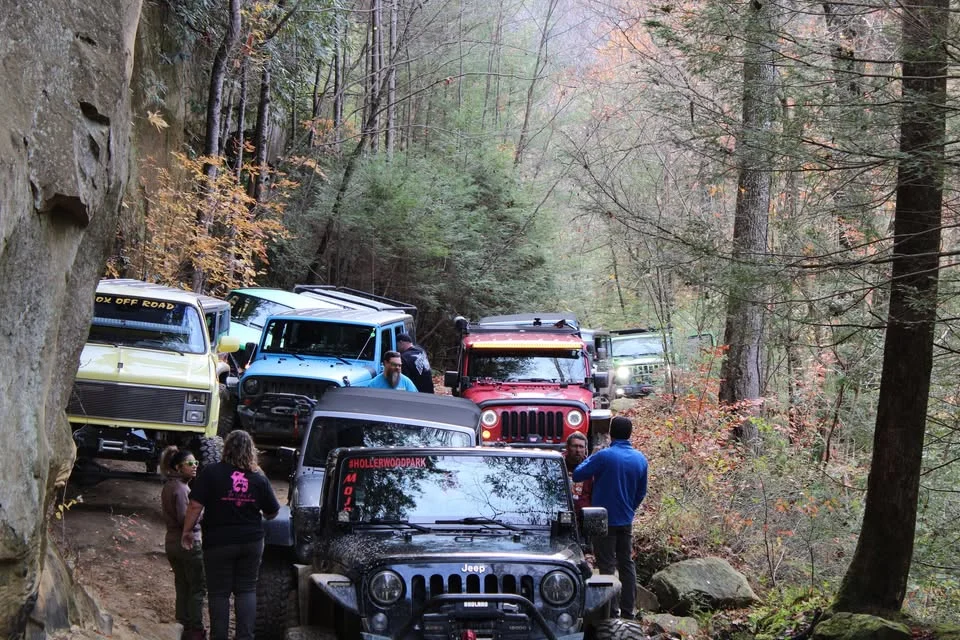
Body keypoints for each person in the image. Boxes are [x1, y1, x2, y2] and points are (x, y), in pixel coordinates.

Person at [181, 431, 280, 640]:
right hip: (251, 542)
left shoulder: (211, 472)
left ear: (226, 449)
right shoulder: (258, 477)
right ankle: (245, 637)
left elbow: (194, 505)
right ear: (250, 450)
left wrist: (187, 531)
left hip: (218, 542)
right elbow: (272, 512)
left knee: (219, 593)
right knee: (246, 590)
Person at [572, 416, 648, 620]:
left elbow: (578, 474)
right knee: (626, 564)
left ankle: (611, 613)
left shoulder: (604, 456)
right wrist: (630, 509)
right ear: (630, 434)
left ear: (610, 433)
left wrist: (592, 455)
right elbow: (641, 492)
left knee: (606, 566)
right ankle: (628, 611)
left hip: (602, 518)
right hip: (625, 519)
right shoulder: (640, 459)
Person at [160, 447, 206, 640]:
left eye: (196, 463)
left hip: (171, 543)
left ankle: (182, 624)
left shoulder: (170, 486)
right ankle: (195, 629)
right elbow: (184, 518)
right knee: (197, 587)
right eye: (190, 464)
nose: (194, 467)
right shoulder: (180, 489)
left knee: (182, 584)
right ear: (179, 467)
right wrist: (202, 512)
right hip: (187, 543)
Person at [564, 432, 593, 518]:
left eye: (581, 447)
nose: (578, 450)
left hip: (584, 515)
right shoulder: (558, 464)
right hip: (562, 512)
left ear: (585, 449)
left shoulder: (590, 467)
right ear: (567, 447)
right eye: (574, 446)